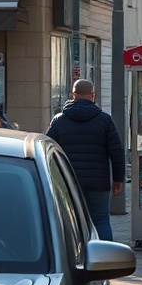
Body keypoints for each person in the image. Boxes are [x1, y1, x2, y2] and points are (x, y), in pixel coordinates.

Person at [45, 79, 126, 242]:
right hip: (98, 183)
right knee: (101, 220)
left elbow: (47, 149)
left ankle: (75, 258)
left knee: (71, 222)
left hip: (69, 182)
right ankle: (105, 257)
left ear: (73, 95)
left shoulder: (59, 121)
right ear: (93, 95)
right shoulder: (104, 120)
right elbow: (117, 152)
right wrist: (118, 179)